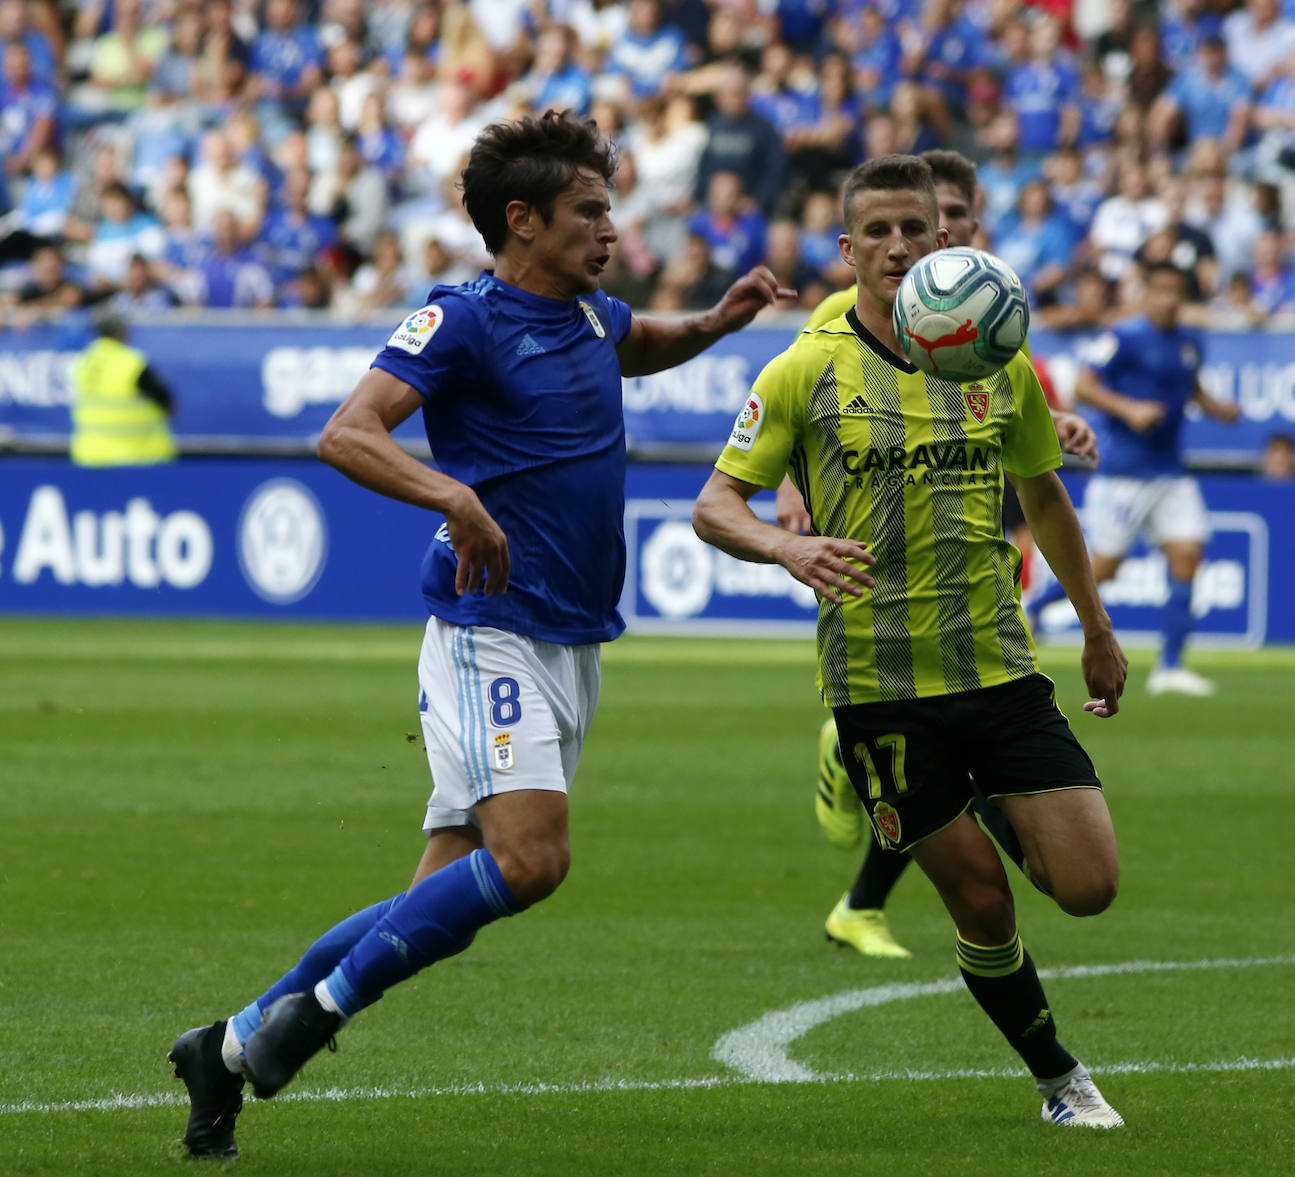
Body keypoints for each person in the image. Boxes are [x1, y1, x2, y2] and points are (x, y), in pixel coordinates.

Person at [166, 109, 791, 1161]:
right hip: (487, 627)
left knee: (436, 895)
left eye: (610, 208)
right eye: (590, 210)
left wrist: (720, 322)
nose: (609, 227)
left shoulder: (594, 317)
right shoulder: (463, 320)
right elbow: (347, 432)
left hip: (570, 638)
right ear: (523, 220)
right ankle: (308, 1025)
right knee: (531, 860)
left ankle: (224, 1048)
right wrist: (455, 496)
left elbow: (647, 345)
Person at [692, 153, 1128, 1129]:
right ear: (849, 251)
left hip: (999, 667)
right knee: (981, 901)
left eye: (914, 230)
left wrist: (1096, 627)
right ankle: (1060, 1078)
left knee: (1090, 886)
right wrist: (782, 546)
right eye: (876, 232)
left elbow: (1044, 494)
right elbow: (716, 505)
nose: (896, 246)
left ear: (946, 241)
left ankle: (945, 793)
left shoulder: (995, 359)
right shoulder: (808, 363)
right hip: (881, 689)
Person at [779, 148, 1098, 959]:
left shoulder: (987, 309)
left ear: (963, 229)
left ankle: (863, 890)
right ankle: (861, 850)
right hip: (887, 585)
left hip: (978, 536)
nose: (917, 242)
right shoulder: (836, 324)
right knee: (946, 774)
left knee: (979, 743)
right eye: (888, 228)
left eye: (940, 221)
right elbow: (802, 410)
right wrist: (792, 497)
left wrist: (1052, 429)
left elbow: (1012, 406)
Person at [1031, 260, 1241, 696]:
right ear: (1146, 293)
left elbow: (1191, 388)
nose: (1167, 298)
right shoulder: (1123, 337)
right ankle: (1032, 611)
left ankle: (1170, 666)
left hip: (1170, 471)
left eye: (1174, 291)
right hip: (1125, 471)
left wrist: (1218, 408)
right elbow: (1085, 386)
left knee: (1188, 554)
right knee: (1103, 569)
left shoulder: (1188, 343)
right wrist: (1130, 410)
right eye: (1159, 290)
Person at [69, 310, 176, 467]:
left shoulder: (84, 360)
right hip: (136, 456)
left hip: (90, 455)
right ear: (121, 330)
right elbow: (167, 403)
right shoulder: (131, 363)